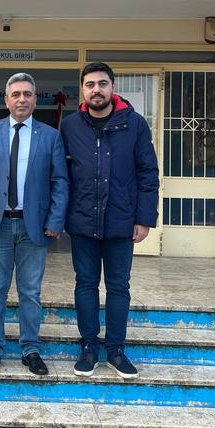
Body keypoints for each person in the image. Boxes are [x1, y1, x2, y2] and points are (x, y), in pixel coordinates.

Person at [60, 62, 159, 379]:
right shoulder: (70, 126)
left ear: (112, 87)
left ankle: (116, 350)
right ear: (83, 90)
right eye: (90, 85)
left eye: (102, 84)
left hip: (121, 221)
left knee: (118, 286)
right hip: (82, 221)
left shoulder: (135, 124)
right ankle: (89, 347)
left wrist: (144, 218)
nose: (96, 90)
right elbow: (61, 175)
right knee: (85, 284)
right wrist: (60, 216)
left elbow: (148, 173)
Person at [0, 73, 68, 376]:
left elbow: (60, 181)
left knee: (30, 292)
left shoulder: (50, 136)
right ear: (6, 100)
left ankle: (31, 349)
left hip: (33, 227)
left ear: (35, 99)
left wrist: (55, 220)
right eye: (16, 94)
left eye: (27, 94)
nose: (21, 99)